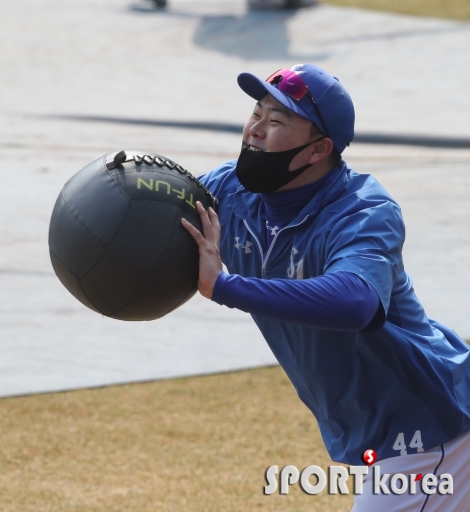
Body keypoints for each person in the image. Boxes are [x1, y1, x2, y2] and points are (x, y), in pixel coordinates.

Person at [181, 63, 470, 511]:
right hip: (390, 434)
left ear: (319, 150)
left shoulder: (363, 211)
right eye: (256, 112)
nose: (256, 129)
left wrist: (225, 286)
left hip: (432, 429)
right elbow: (155, 214)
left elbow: (356, 301)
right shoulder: (230, 193)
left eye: (277, 122)